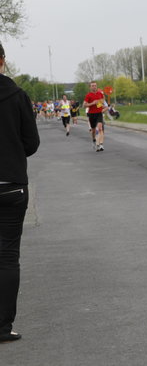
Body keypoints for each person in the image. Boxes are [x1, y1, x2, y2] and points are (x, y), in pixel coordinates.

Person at [0, 43, 40, 343]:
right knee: (7, 257)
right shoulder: (18, 96)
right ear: (2, 61)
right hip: (11, 185)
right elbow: (31, 143)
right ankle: (2, 327)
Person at [83, 81, 105, 152]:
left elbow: (102, 102)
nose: (94, 87)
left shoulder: (100, 94)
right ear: (90, 87)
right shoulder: (88, 95)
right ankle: (93, 140)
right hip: (91, 114)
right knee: (93, 131)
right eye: (92, 86)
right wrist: (92, 103)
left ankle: (100, 145)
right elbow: (84, 105)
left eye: (95, 85)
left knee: (100, 128)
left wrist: (100, 103)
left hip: (99, 113)